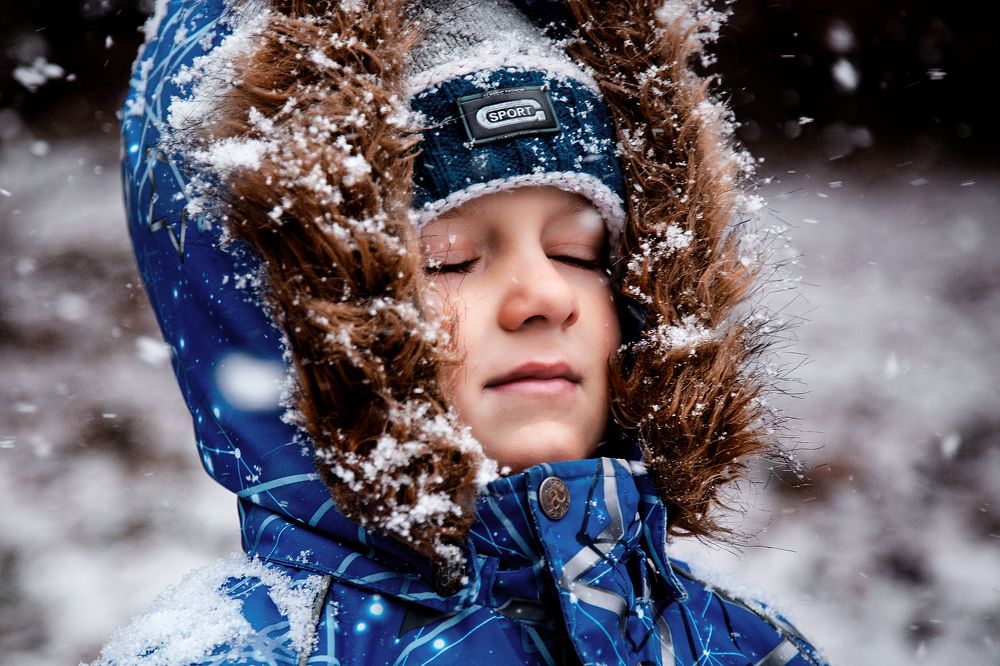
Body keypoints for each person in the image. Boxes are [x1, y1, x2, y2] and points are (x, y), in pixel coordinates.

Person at [96, 0, 828, 663]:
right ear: (294, 325)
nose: (543, 295)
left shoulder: (743, 647)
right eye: (449, 260)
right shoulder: (241, 654)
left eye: (579, 253)